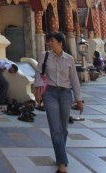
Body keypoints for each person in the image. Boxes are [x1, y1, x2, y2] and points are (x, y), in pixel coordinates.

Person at [34, 32, 83, 173]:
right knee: (55, 128)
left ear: (60, 42)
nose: (50, 43)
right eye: (49, 41)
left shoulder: (69, 59)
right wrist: (38, 90)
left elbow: (74, 79)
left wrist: (79, 99)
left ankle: (59, 154)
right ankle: (63, 163)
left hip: (66, 94)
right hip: (50, 93)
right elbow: (38, 72)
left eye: (52, 41)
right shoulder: (45, 55)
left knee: (63, 128)